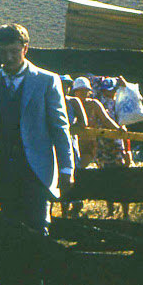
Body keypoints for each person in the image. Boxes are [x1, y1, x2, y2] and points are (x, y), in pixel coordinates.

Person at [0, 23, 75, 234]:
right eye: (2, 52)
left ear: (25, 49)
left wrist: (67, 169)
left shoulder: (47, 81)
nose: (8, 58)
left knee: (38, 228)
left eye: (14, 51)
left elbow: (60, 127)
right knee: (5, 229)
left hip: (36, 171)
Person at [67, 76, 125, 217]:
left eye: (84, 91)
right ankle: (72, 204)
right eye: (79, 91)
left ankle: (77, 202)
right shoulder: (70, 104)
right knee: (72, 172)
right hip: (73, 143)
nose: (81, 94)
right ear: (75, 92)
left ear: (89, 92)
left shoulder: (94, 105)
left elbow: (105, 119)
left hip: (90, 144)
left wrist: (118, 129)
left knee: (80, 171)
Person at [89, 75, 132, 218]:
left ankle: (125, 212)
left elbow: (125, 126)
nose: (109, 93)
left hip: (117, 144)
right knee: (106, 177)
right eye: (106, 90)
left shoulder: (120, 103)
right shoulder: (98, 102)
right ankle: (110, 210)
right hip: (103, 143)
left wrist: (127, 149)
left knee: (122, 177)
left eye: (111, 90)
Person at [58, 74, 88, 218]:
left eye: (66, 85)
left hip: (69, 141)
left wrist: (70, 129)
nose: (64, 88)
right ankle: (61, 209)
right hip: (53, 141)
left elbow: (83, 122)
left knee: (71, 171)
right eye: (62, 85)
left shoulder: (73, 101)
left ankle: (74, 206)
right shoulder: (51, 100)